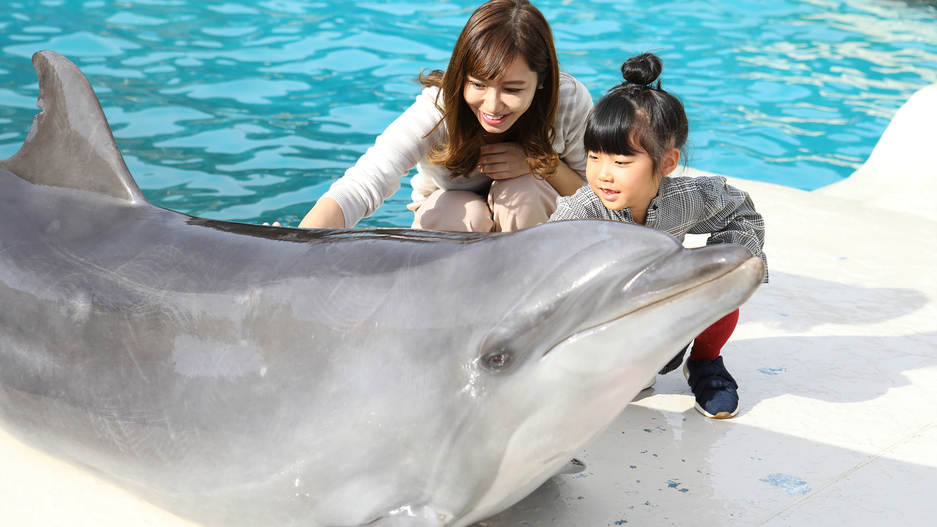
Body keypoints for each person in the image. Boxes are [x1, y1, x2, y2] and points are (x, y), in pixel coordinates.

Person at [549, 53, 769, 419]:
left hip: (664, 311)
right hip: (610, 322)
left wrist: (712, 268)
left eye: (621, 162)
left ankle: (704, 362)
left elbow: (742, 213)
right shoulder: (582, 212)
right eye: (593, 157)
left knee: (726, 278)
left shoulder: (685, 200)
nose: (603, 174)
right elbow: (548, 265)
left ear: (666, 163)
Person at [297, 0, 592, 231]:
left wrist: (543, 165)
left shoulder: (568, 101)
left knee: (523, 192)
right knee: (461, 213)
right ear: (461, 76)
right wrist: (296, 248)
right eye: (478, 84)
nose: (492, 105)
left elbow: (599, 197)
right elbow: (366, 181)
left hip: (535, 217)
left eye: (512, 89)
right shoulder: (438, 111)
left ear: (541, 81)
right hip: (451, 218)